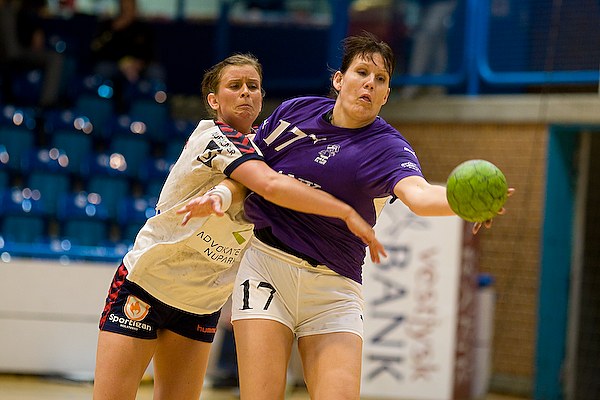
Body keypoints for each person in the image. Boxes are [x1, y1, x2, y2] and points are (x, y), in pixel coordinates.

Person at [183, 32, 512, 400]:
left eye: (381, 79)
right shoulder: (295, 112)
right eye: (361, 72)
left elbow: (418, 195)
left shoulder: (387, 147)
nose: (370, 83)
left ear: (386, 95)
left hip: (334, 286)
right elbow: (250, 173)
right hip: (267, 267)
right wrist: (221, 193)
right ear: (339, 80)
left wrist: (459, 201)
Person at [92, 53, 385, 400]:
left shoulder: (270, 148)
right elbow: (271, 185)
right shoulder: (213, 136)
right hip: (146, 286)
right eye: (235, 86)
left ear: (262, 98)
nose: (246, 92)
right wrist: (347, 213)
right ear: (214, 100)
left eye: (253, 86)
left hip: (201, 304)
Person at [0, 0, 65, 108]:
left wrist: (37, 32)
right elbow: (11, 51)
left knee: (57, 58)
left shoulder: (27, 10)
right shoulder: (6, 10)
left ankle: (47, 104)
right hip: (9, 55)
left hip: (23, 52)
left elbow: (35, 37)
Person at [399, 0, 458, 98]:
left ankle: (413, 85)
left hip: (444, 2)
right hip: (425, 4)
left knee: (426, 34)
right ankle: (437, 87)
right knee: (438, 41)